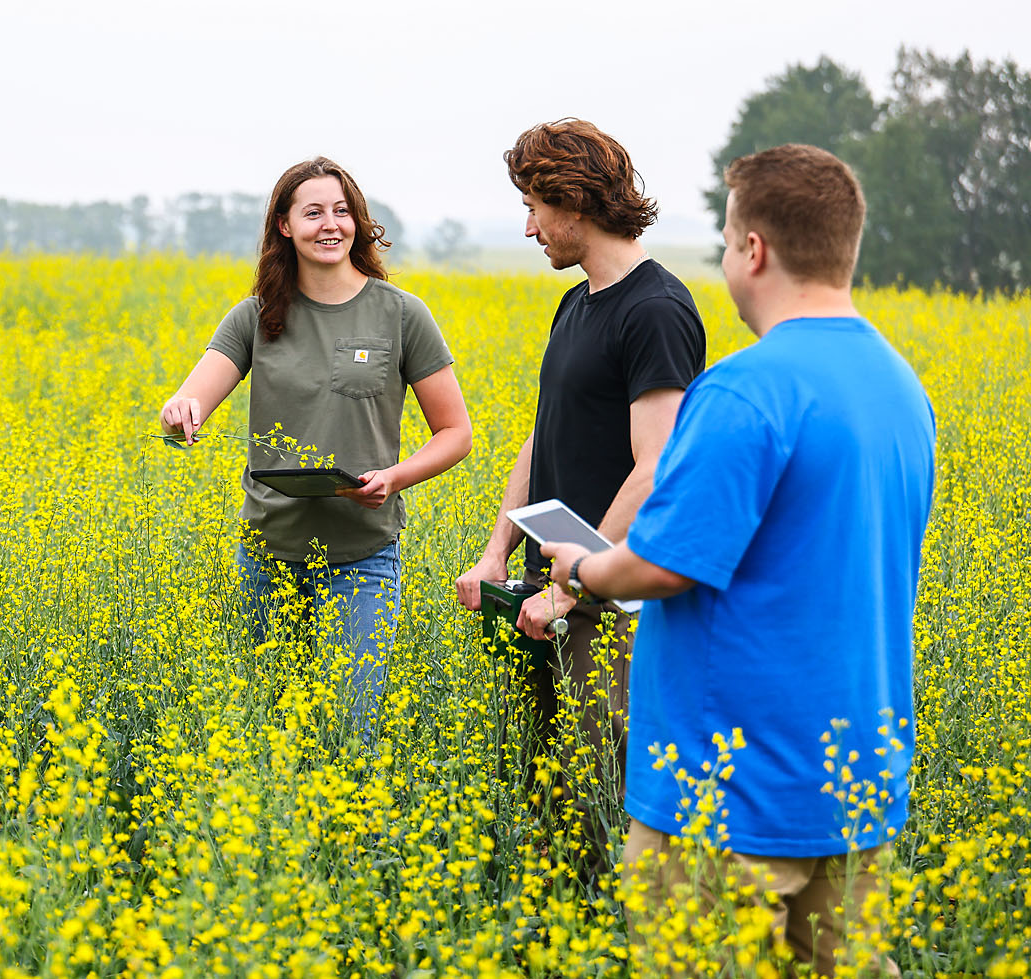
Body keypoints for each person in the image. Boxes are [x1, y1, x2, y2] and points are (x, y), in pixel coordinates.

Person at [539, 144, 934, 975]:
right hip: (854, 779)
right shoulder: (902, 388)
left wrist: (579, 569)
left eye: (724, 239)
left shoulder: (747, 390)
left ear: (753, 249)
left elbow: (661, 564)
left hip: (728, 791)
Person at [159, 157, 471, 737]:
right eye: (313, 213)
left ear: (357, 221)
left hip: (362, 556)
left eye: (342, 211)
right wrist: (182, 413)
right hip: (268, 555)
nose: (331, 225)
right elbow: (190, 401)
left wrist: (394, 478)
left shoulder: (401, 315)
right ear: (284, 226)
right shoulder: (255, 317)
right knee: (264, 730)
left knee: (349, 731)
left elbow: (456, 434)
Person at [453, 119, 705, 818]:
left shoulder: (654, 310)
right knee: (542, 798)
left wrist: (578, 583)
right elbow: (543, 439)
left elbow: (655, 467)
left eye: (535, 207)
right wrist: (496, 552)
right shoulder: (576, 303)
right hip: (548, 587)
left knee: (597, 796)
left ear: (575, 201)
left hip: (609, 599)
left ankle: (608, 926)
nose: (530, 227)